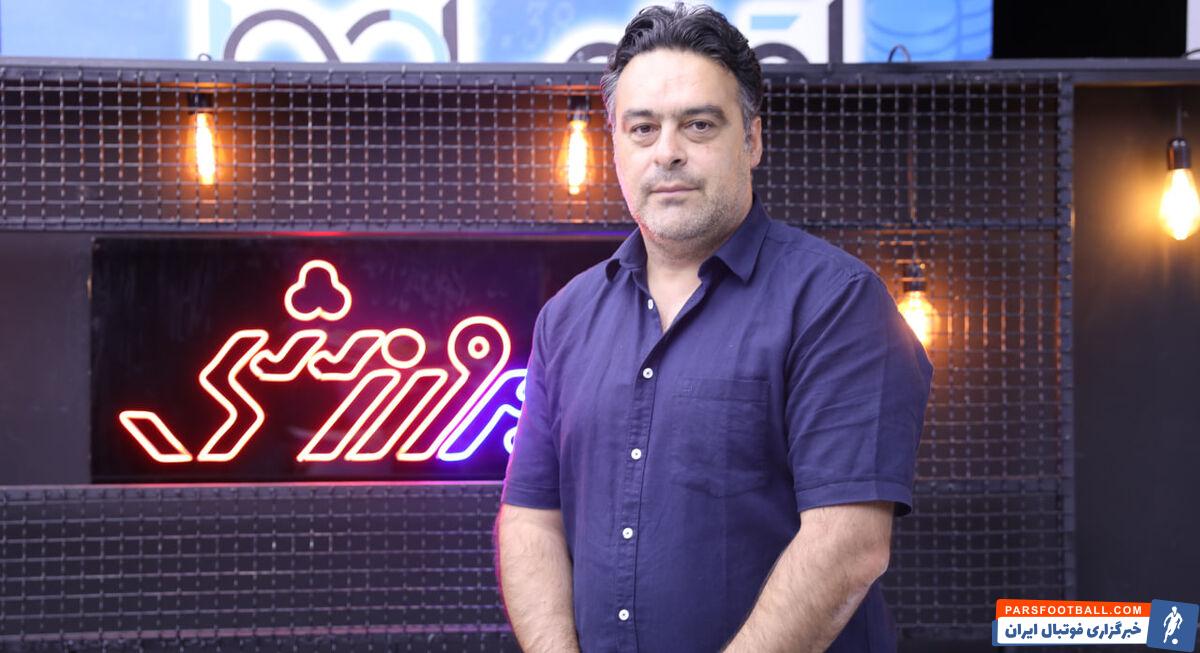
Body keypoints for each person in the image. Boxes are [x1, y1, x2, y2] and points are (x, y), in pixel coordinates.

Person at [495, 4, 933, 651]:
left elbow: (848, 544)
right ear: (615, 144)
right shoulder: (566, 318)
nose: (667, 152)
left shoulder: (835, 302)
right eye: (642, 128)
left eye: (698, 124)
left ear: (752, 141)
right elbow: (531, 519)